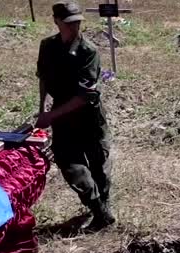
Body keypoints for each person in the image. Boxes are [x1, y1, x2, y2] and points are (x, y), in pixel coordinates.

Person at [35, 1, 115, 231]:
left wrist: (50, 115)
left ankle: (103, 208)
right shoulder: (48, 46)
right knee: (68, 162)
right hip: (62, 112)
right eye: (69, 23)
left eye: (77, 22)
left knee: (98, 161)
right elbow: (43, 77)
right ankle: (98, 209)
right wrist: (42, 107)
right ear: (56, 21)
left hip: (87, 114)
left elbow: (84, 96)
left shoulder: (87, 51)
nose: (74, 27)